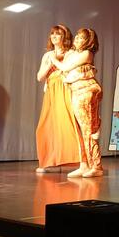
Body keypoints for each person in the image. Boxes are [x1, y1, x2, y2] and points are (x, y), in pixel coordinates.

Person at [51, 28, 103, 178]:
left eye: (82, 38)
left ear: (88, 42)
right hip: (76, 91)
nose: (77, 40)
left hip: (85, 91)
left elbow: (64, 67)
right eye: (78, 37)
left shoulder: (87, 53)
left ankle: (96, 165)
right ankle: (84, 165)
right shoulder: (75, 53)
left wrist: (53, 59)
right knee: (80, 129)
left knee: (88, 129)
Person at [34, 25, 82, 173]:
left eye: (58, 34)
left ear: (64, 37)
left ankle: (79, 161)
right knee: (47, 125)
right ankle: (47, 162)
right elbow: (39, 77)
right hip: (51, 90)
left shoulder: (71, 53)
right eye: (52, 34)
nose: (54, 36)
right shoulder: (48, 55)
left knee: (67, 123)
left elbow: (69, 70)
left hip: (65, 89)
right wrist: (50, 64)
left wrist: (57, 61)